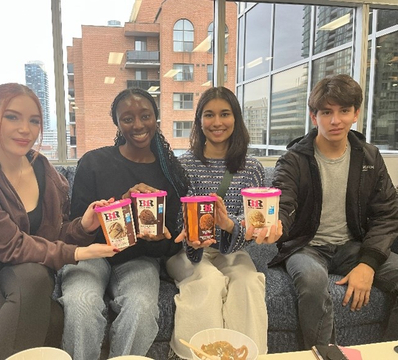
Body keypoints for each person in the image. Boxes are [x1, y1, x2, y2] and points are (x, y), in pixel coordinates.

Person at [0, 83, 118, 360]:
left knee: (34, 278)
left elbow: (51, 235)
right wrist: (78, 253)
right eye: (12, 117)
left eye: (34, 121)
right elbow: (12, 247)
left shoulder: (42, 169)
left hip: (22, 278)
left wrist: (84, 227)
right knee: (49, 319)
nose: (25, 129)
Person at [59, 88, 190, 360]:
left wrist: (159, 239)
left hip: (139, 258)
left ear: (156, 118)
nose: (138, 125)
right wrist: (119, 208)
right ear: (117, 122)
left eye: (145, 116)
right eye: (127, 118)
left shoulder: (168, 171)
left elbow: (170, 243)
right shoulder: (94, 162)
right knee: (80, 303)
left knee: (142, 308)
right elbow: (75, 227)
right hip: (92, 255)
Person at [270, 74, 398, 349]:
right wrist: (275, 224)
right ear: (314, 116)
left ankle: (388, 352)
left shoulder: (369, 157)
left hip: (353, 245)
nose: (335, 120)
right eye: (326, 112)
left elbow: (387, 214)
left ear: (356, 114)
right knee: (313, 281)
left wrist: (368, 263)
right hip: (306, 248)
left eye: (344, 111)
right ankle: (326, 356)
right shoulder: (294, 159)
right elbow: (283, 203)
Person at [166, 86, 282, 359]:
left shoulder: (251, 167)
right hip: (188, 251)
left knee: (249, 282)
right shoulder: (183, 165)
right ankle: (196, 354)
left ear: (236, 119)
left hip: (231, 249)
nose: (217, 122)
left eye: (225, 114)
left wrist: (229, 225)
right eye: (209, 115)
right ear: (199, 121)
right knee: (208, 281)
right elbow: (176, 217)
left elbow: (253, 218)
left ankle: (247, 355)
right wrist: (191, 236)